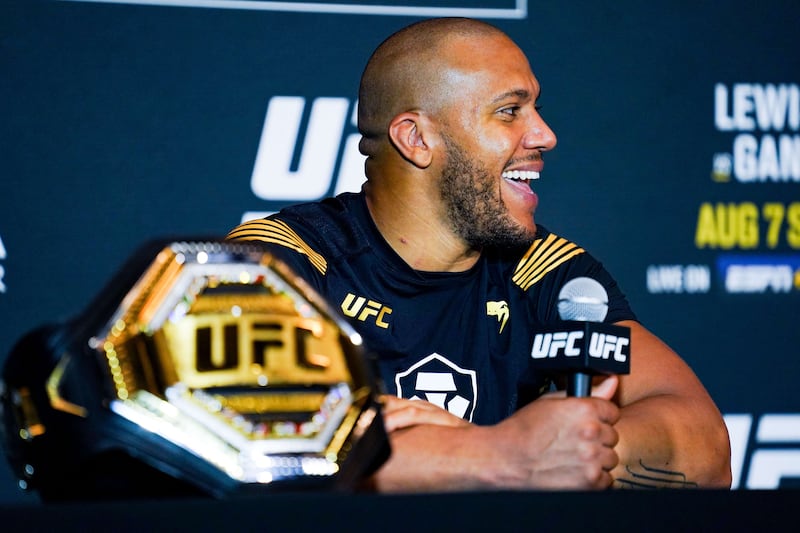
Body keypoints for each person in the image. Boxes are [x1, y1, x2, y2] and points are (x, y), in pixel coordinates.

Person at [227, 17, 731, 491]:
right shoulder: (277, 265)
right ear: (417, 138)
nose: (545, 136)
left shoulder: (546, 271)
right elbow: (241, 440)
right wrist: (502, 457)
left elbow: (705, 446)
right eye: (510, 111)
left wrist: (537, 456)